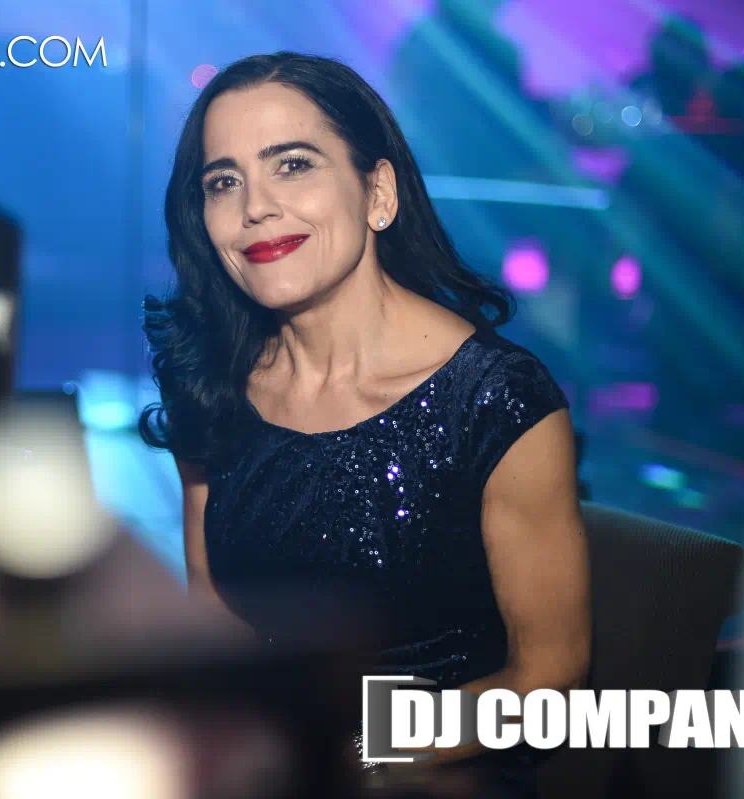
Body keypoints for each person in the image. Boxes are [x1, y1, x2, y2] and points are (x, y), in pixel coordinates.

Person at [139, 52, 590, 795]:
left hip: (438, 774)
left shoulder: (496, 400)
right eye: (224, 181)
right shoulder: (212, 382)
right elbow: (215, 623)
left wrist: (349, 759)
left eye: (292, 166)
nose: (256, 207)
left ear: (377, 192)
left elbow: (549, 674)